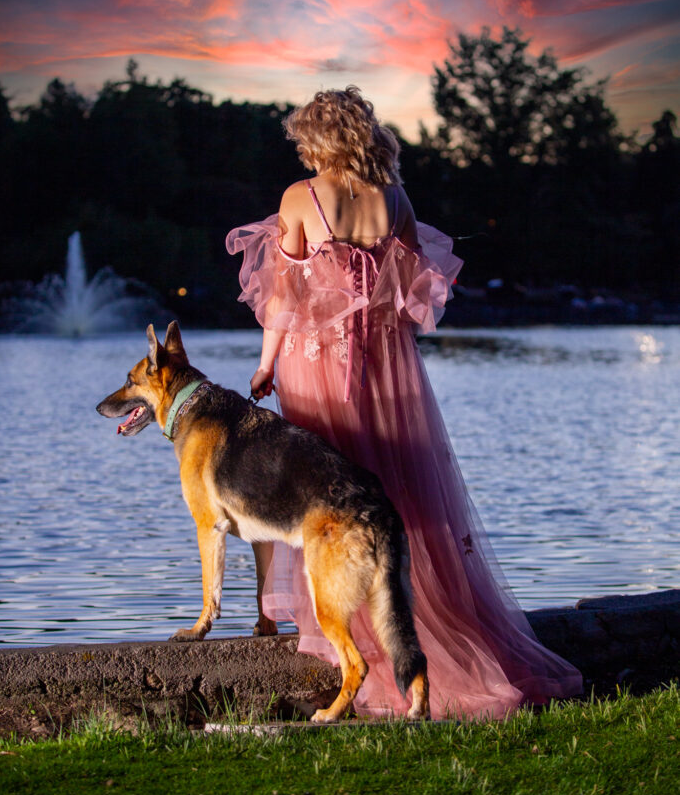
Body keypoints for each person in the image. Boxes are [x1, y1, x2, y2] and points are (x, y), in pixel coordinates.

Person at [226, 86, 582, 719]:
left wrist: (263, 365)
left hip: (319, 364)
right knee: (406, 498)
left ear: (319, 138)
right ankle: (430, 630)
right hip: (390, 368)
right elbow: (415, 288)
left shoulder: (300, 198)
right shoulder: (395, 197)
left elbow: (282, 300)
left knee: (329, 502)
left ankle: (357, 643)